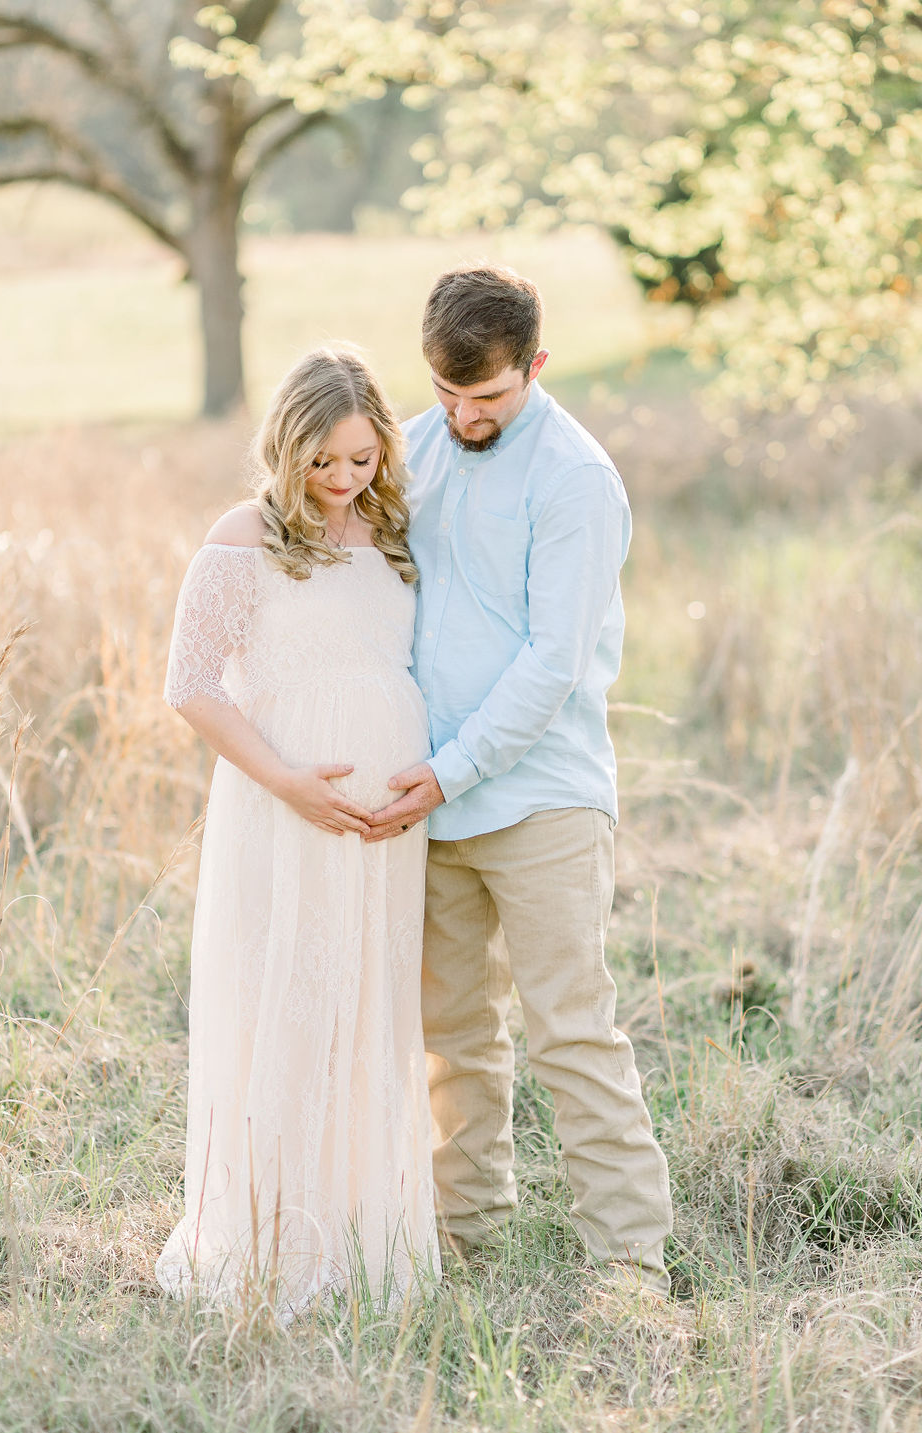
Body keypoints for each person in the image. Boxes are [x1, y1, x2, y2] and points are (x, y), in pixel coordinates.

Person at [365, 265, 674, 1294]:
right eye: (447, 393)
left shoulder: (576, 478)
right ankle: (465, 1239)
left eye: (487, 397)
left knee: (572, 1029)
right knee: (452, 1037)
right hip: (428, 799)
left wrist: (447, 771)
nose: (463, 415)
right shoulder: (412, 448)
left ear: (534, 366)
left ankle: (628, 1262)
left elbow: (552, 662)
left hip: (539, 794)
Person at [156, 348, 439, 1318]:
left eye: (361, 459)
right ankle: (274, 1236)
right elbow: (188, 683)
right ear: (287, 448)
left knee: (366, 1007)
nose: (344, 480)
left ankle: (363, 1232)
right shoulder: (244, 538)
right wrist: (285, 779)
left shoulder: (394, 532)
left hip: (387, 828)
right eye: (324, 462)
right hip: (281, 813)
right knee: (289, 999)